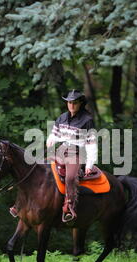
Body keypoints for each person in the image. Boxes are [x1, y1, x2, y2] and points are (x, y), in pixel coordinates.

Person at [46, 89, 97, 222]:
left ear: (80, 103)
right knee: (41, 167)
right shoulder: (62, 117)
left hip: (77, 152)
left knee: (70, 177)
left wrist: (90, 164)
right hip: (62, 149)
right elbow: (55, 134)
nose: (71, 105)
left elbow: (91, 144)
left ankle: (69, 207)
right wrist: (51, 138)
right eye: (69, 102)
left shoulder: (87, 120)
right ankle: (24, 203)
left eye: (74, 103)